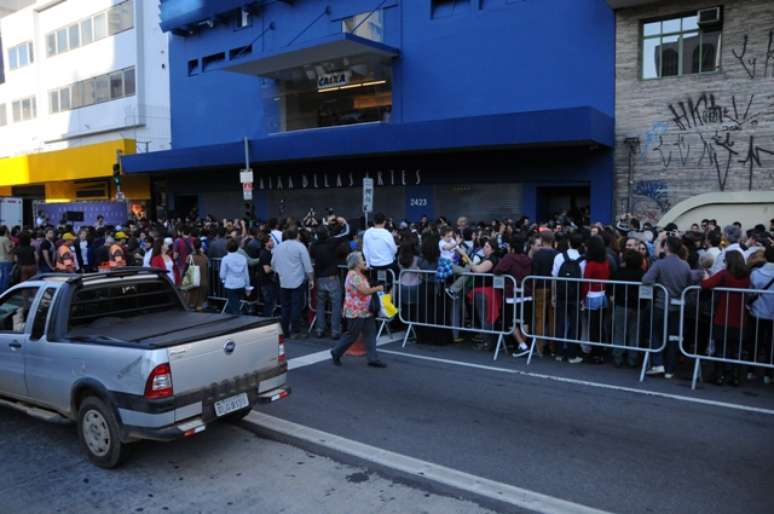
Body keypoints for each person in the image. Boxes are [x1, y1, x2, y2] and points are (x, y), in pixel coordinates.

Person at [642, 236, 702, 379]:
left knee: (656, 333)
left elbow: (646, 280)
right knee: (673, 337)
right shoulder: (685, 265)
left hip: (661, 305)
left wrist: (658, 284)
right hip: (677, 306)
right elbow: (689, 281)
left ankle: (658, 364)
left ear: (667, 247)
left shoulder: (660, 264)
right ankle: (670, 368)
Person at [330, 252, 387, 368]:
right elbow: (364, 291)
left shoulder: (358, 274)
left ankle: (373, 358)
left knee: (370, 333)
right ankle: (336, 352)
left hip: (364, 309)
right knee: (352, 334)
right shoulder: (353, 275)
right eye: (362, 260)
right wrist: (377, 288)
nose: (364, 262)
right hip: (356, 310)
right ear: (356, 263)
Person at [701, 251, 750, 386]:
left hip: (723, 316)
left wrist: (705, 277)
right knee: (736, 349)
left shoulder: (724, 274)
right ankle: (734, 376)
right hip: (739, 318)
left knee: (721, 347)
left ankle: (719, 375)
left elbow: (706, 284)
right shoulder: (746, 277)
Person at [272, 228, 314, 338]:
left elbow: (273, 263)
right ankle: (295, 330)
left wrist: (280, 272)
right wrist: (311, 279)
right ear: (297, 235)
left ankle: (285, 330)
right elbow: (307, 265)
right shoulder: (300, 246)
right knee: (296, 306)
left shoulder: (278, 247)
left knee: (285, 306)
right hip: (297, 280)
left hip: (283, 280)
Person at [552, 232, 586, 363]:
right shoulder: (583, 260)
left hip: (561, 294)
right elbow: (583, 280)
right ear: (581, 244)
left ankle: (559, 353)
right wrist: (582, 299)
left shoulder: (559, 256)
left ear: (569, 243)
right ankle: (572, 354)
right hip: (576, 296)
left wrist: (554, 296)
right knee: (574, 324)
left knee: (560, 323)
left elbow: (554, 277)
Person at [310, 226, 344, 339]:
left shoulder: (314, 246)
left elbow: (312, 254)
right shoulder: (331, 243)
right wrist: (342, 224)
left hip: (320, 277)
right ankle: (335, 331)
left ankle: (320, 329)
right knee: (336, 305)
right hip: (332, 277)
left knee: (320, 305)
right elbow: (344, 235)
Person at [611, 250, 645, 367]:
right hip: (638, 306)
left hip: (622, 304)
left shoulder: (619, 272)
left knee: (619, 331)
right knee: (634, 333)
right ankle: (632, 358)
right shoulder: (642, 273)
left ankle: (618, 356)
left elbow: (611, 286)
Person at [581, 236, 611, 363]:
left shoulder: (591, 264)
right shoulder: (605, 262)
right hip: (602, 295)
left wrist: (582, 298)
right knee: (600, 325)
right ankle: (600, 351)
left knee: (593, 327)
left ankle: (594, 353)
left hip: (592, 296)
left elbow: (586, 283)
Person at [750, 245, 774, 384]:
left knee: (755, 341)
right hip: (772, 314)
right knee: (770, 344)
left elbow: (751, 291)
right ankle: (768, 373)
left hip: (757, 311)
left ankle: (751, 370)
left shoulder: (756, 273)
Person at [362, 212, 397, 285]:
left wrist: (368, 264)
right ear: (384, 222)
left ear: (374, 221)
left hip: (373, 265)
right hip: (387, 264)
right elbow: (394, 249)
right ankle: (388, 295)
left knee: (376, 285)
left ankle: (377, 295)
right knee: (390, 285)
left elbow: (365, 250)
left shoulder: (367, 233)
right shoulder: (387, 234)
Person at [219, 238, 251, 315]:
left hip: (230, 285)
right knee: (236, 304)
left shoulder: (225, 259)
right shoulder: (243, 258)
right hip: (241, 284)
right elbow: (246, 274)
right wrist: (247, 287)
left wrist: (223, 280)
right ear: (237, 247)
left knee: (234, 307)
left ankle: (236, 322)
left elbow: (222, 274)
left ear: (227, 248)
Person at [185, 238, 210, 311]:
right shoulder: (205, 257)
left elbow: (186, 270)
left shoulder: (190, 257)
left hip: (193, 282)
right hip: (203, 282)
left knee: (191, 303)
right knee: (200, 304)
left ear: (192, 246)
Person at [0, 226, 14, 292]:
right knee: (6, 277)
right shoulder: (6, 239)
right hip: (6, 260)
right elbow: (9, 250)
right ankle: (4, 292)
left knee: (2, 276)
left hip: (1, 260)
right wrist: (13, 245)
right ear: (5, 231)